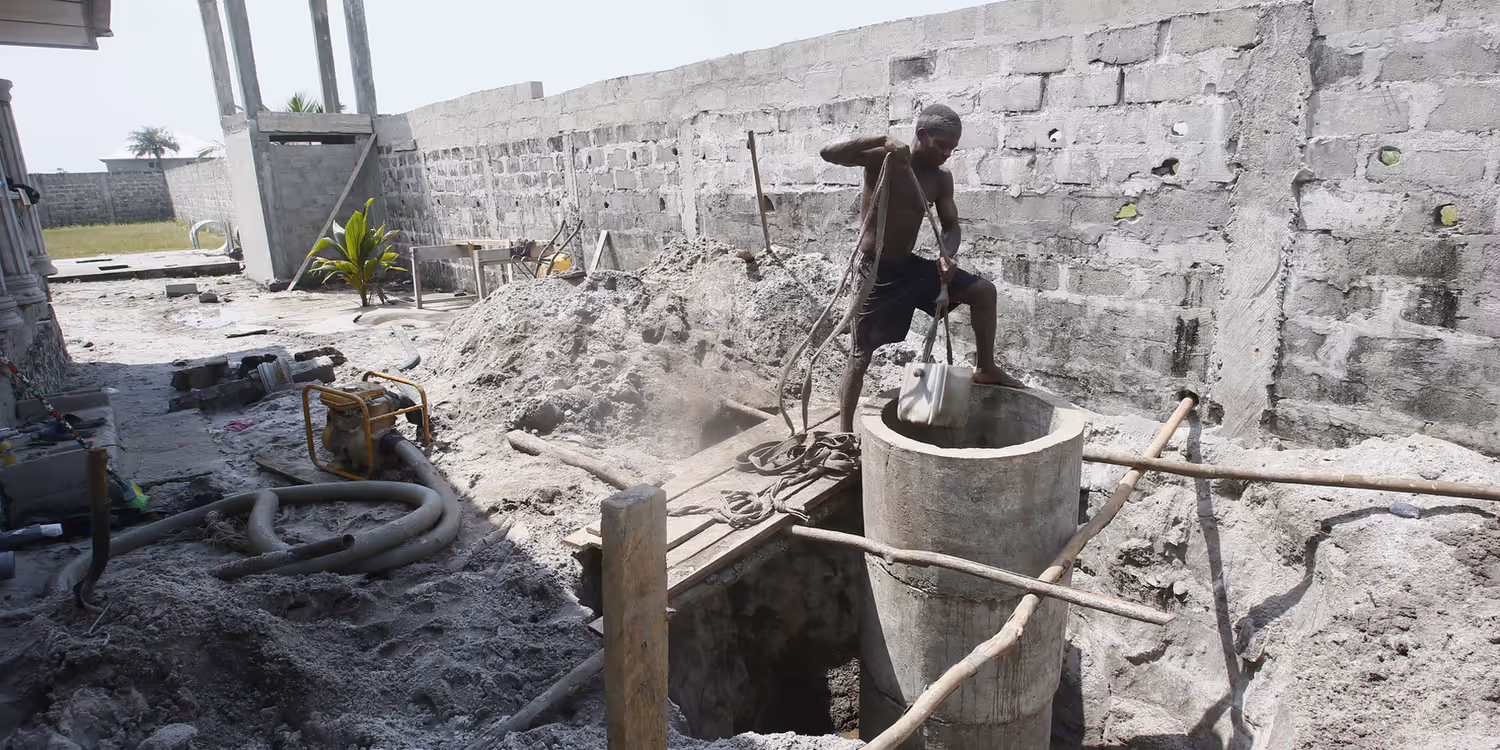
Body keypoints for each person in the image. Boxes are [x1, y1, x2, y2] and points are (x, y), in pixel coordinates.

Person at [819, 103, 1024, 432]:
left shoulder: (940, 179)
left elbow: (951, 226)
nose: (947, 154)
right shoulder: (882, 159)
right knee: (859, 356)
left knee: (984, 291)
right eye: (942, 146)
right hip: (875, 271)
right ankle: (844, 433)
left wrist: (948, 254)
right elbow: (828, 152)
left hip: (909, 268)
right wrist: (883, 138)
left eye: (952, 148)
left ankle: (986, 366)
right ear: (921, 136)